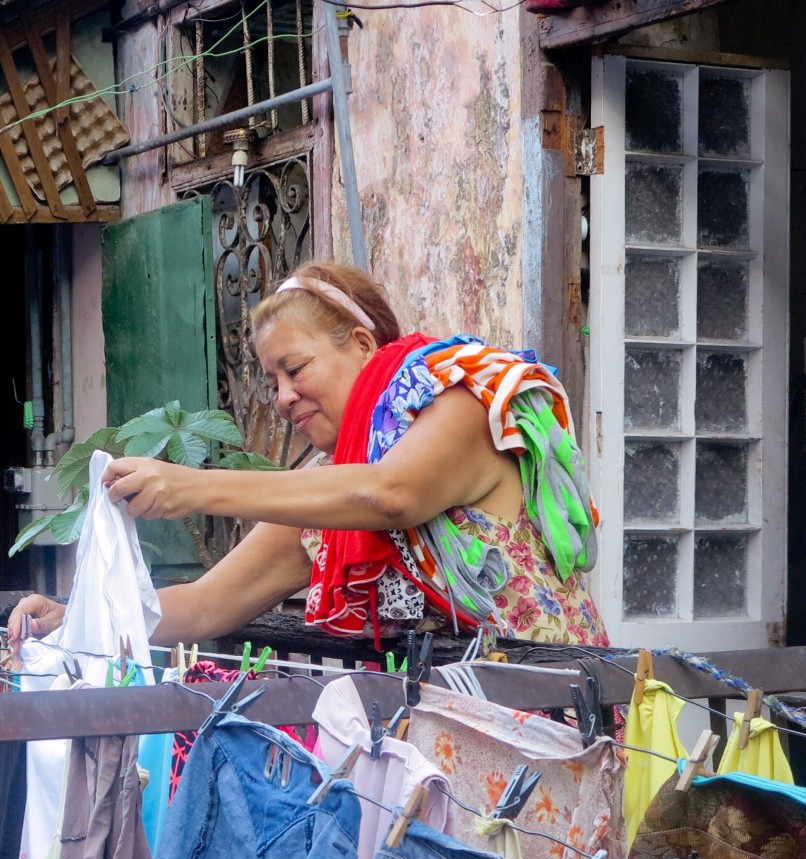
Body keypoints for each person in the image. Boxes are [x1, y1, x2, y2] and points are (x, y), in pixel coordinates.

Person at [8, 262, 609, 653]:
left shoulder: (458, 402)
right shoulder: (327, 492)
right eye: (272, 382)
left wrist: (194, 486)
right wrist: (74, 616)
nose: (282, 397)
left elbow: (389, 495)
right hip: (452, 733)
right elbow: (206, 605)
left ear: (363, 344)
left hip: (557, 706)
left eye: (294, 369)